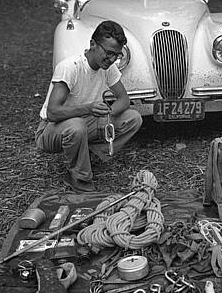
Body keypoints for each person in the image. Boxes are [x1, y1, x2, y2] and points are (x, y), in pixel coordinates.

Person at [35, 20, 143, 192]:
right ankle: (79, 177)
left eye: (117, 55)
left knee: (133, 118)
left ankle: (89, 155)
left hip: (85, 122)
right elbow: (53, 112)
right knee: (76, 126)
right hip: (51, 130)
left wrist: (107, 114)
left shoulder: (108, 68)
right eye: (108, 53)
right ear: (93, 44)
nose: (112, 59)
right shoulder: (70, 67)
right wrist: (88, 108)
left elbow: (124, 99)